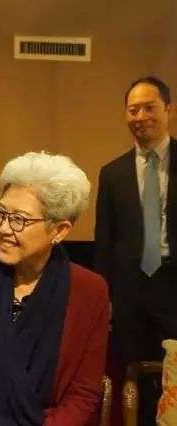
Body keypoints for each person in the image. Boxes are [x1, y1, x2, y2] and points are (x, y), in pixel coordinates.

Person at [0, 152, 109, 425]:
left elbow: (83, 395)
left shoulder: (89, 291)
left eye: (19, 220)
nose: (3, 228)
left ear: (59, 230)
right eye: (1, 213)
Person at [95, 76, 177, 424]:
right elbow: (104, 241)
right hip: (130, 295)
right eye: (132, 110)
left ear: (168, 110)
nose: (140, 116)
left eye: (149, 108)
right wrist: (105, 297)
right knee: (133, 386)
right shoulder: (112, 173)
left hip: (174, 289)